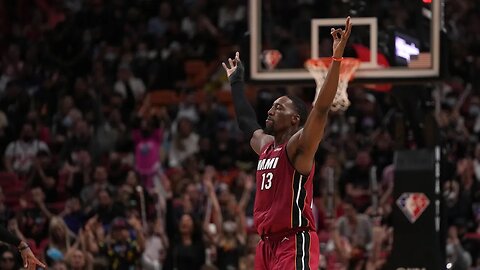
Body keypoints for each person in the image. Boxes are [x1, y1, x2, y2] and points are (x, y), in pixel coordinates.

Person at [222, 17, 352, 269]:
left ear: (294, 118)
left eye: (278, 107)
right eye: (271, 106)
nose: (270, 110)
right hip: (266, 244)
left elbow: (322, 108)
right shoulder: (266, 146)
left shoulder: (298, 147)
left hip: (294, 240)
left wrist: (336, 59)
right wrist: (236, 82)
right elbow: (247, 122)